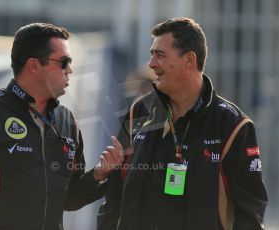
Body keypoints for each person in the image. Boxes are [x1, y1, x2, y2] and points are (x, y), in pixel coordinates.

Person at [0, 22, 124, 230]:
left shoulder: (66, 120)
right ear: (34, 66)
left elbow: (69, 199)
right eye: (63, 62)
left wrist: (98, 175)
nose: (70, 70)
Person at [97, 17, 268, 230]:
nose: (151, 64)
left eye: (159, 55)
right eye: (152, 55)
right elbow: (114, 197)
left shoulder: (233, 125)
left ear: (189, 60)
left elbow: (250, 213)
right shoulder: (139, 111)